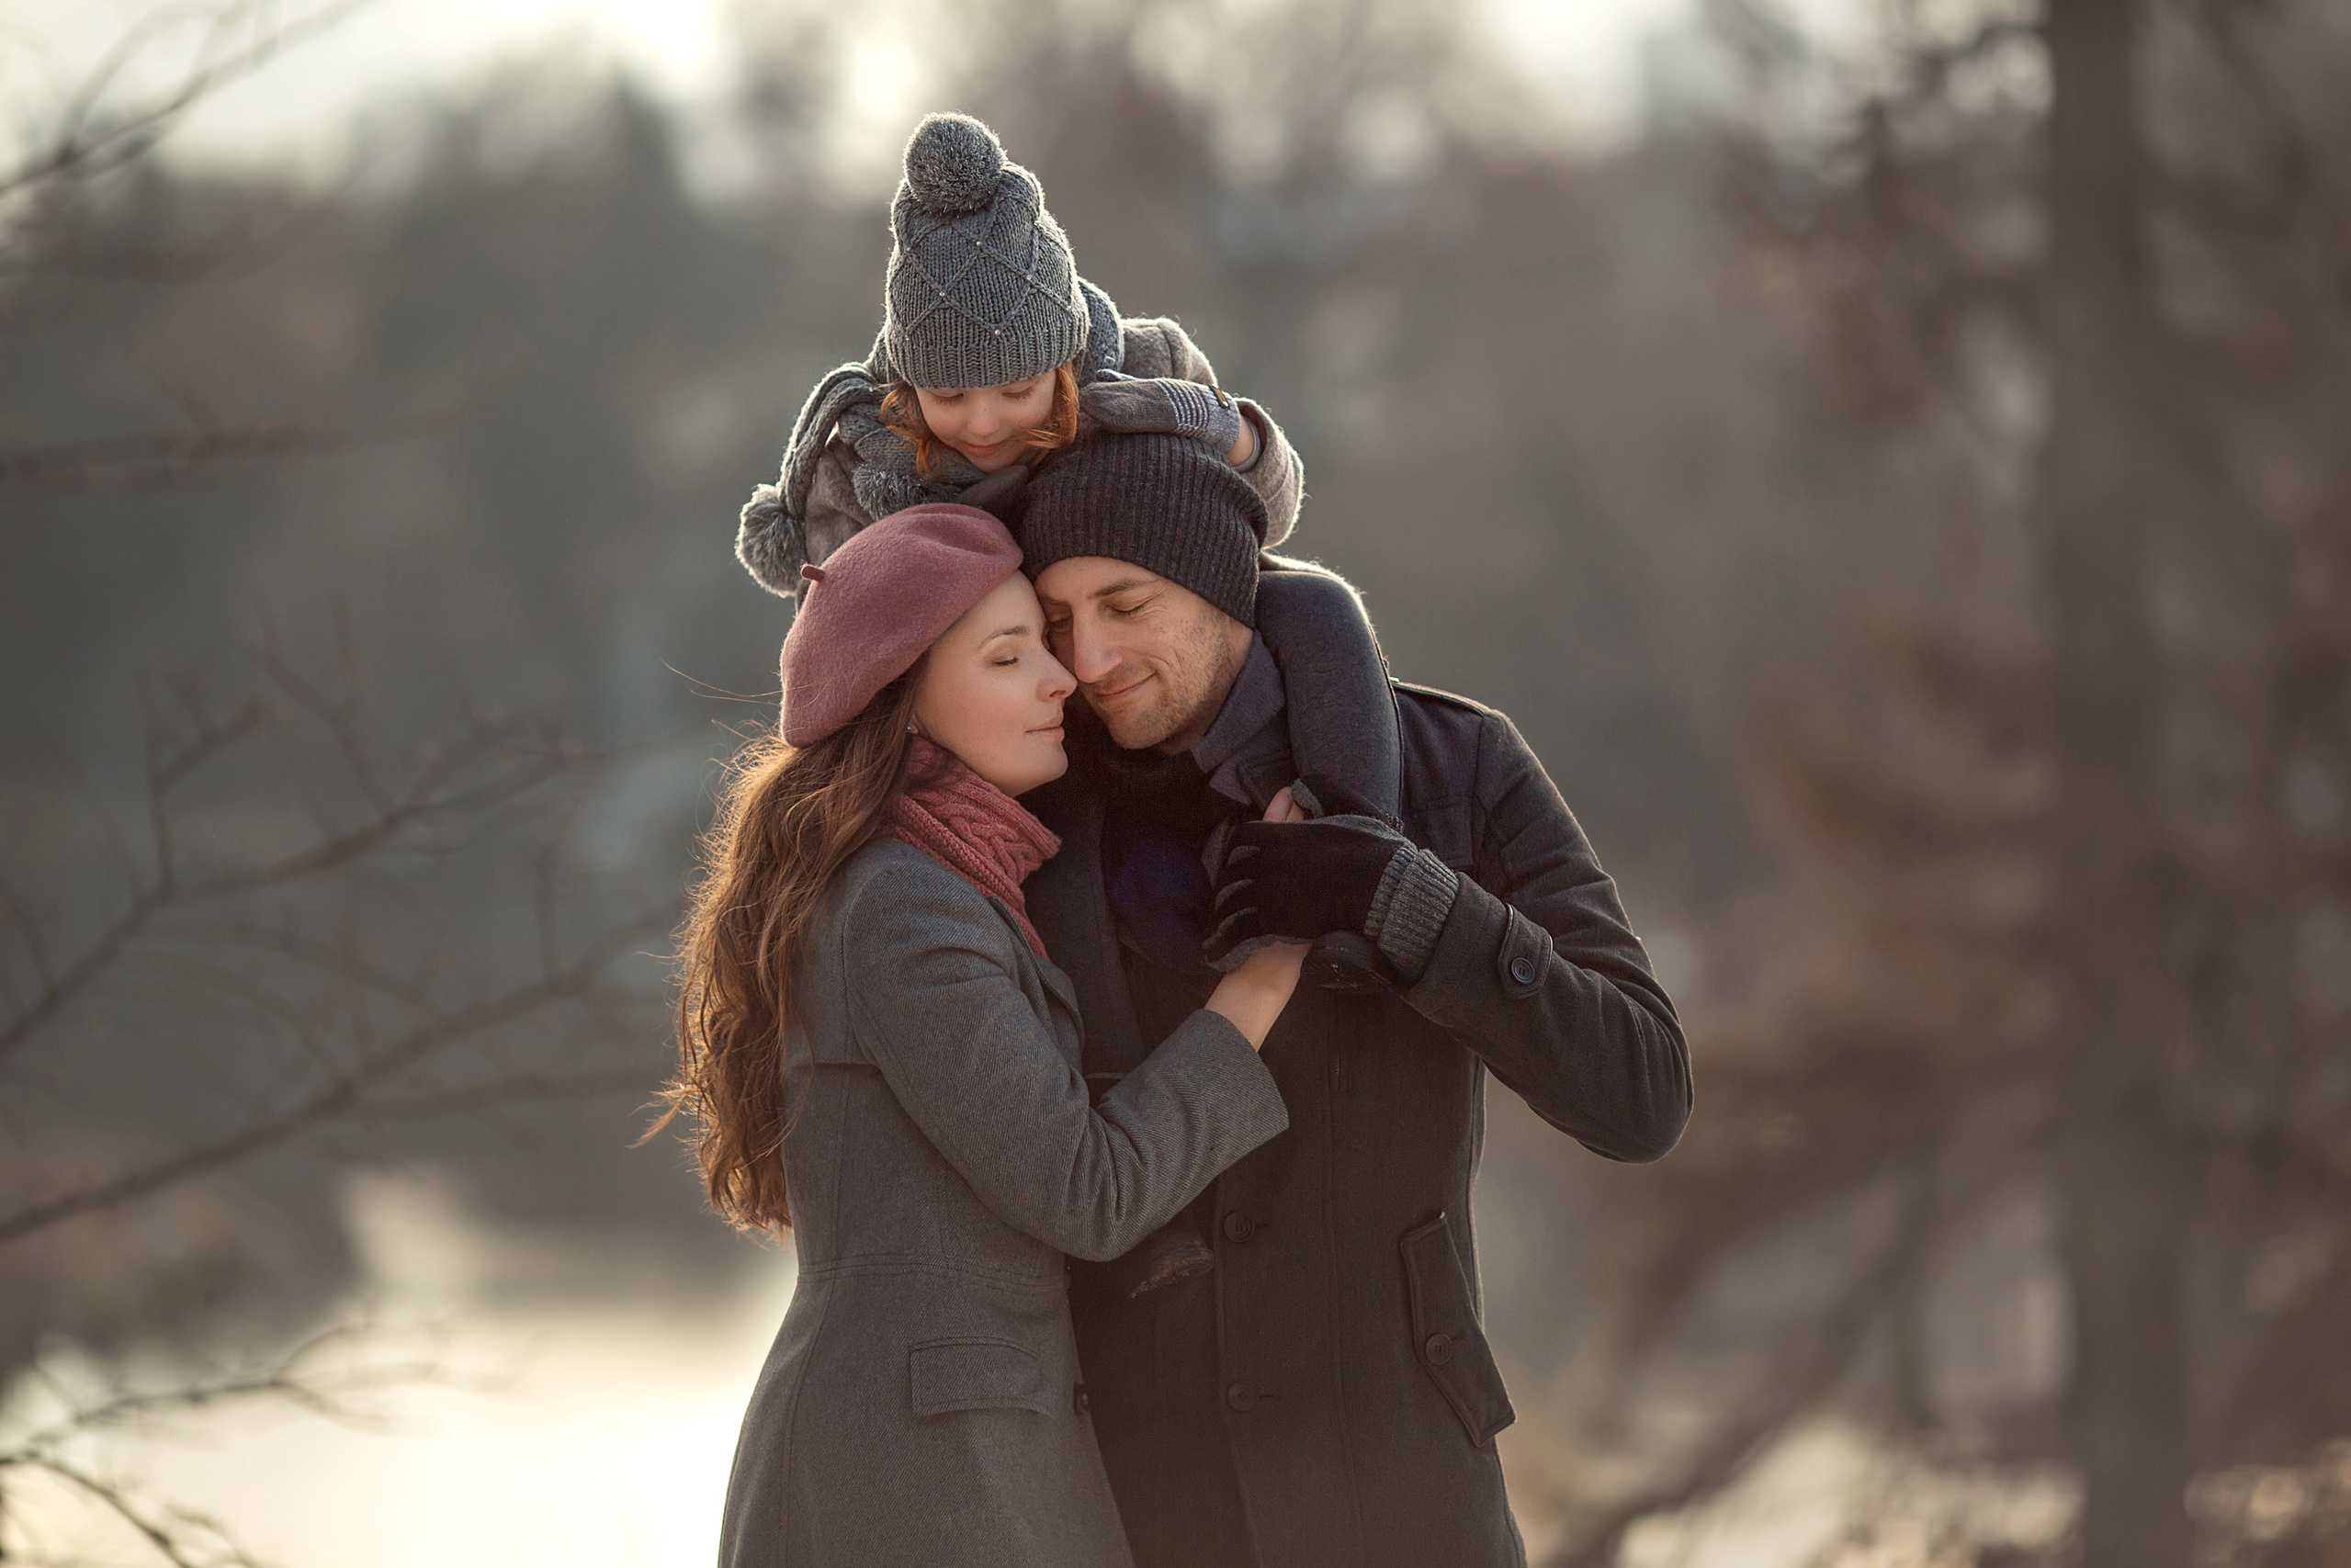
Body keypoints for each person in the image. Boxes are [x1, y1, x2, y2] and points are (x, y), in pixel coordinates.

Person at [734, 107, 1408, 1292]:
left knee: (1315, 607)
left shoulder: (1139, 374)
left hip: (1110, 619)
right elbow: (849, 614)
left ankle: (1352, 849)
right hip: (997, 681)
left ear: (1060, 350)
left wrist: (1235, 441)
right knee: (1063, 864)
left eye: (1007, 390)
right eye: (947, 399)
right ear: (906, 381)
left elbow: (1264, 508)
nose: (981, 423)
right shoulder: (867, 450)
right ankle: (1125, 1160)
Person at [1012, 429, 1696, 1568]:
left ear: (1223, 583)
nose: (1086, 659)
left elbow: (1641, 1093)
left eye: (1124, 603)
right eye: (1057, 619)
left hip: (1404, 1497)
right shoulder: (1030, 809)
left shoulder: (1456, 768)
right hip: (1131, 1511)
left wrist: (1400, 892)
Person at [661, 502, 1309, 1567]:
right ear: (901, 704)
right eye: (1010, 658)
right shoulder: (903, 909)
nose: (1061, 679)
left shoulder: (950, 885)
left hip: (962, 1443)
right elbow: (1086, 1190)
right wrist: (1261, 978)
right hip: (916, 1470)